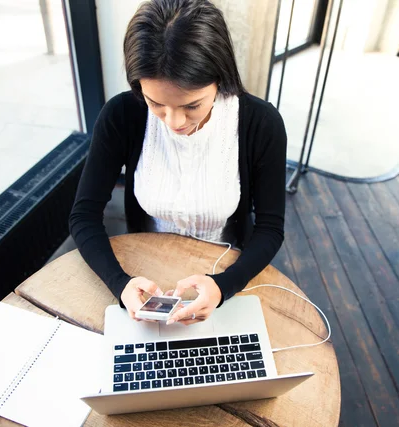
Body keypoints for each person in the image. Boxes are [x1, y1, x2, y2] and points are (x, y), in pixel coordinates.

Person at [69, 0, 286, 326]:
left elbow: (270, 228)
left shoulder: (260, 123)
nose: (173, 121)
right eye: (155, 103)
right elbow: (83, 216)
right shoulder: (122, 116)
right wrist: (120, 283)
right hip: (145, 274)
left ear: (220, 77)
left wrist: (223, 287)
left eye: (191, 105)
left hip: (226, 268)